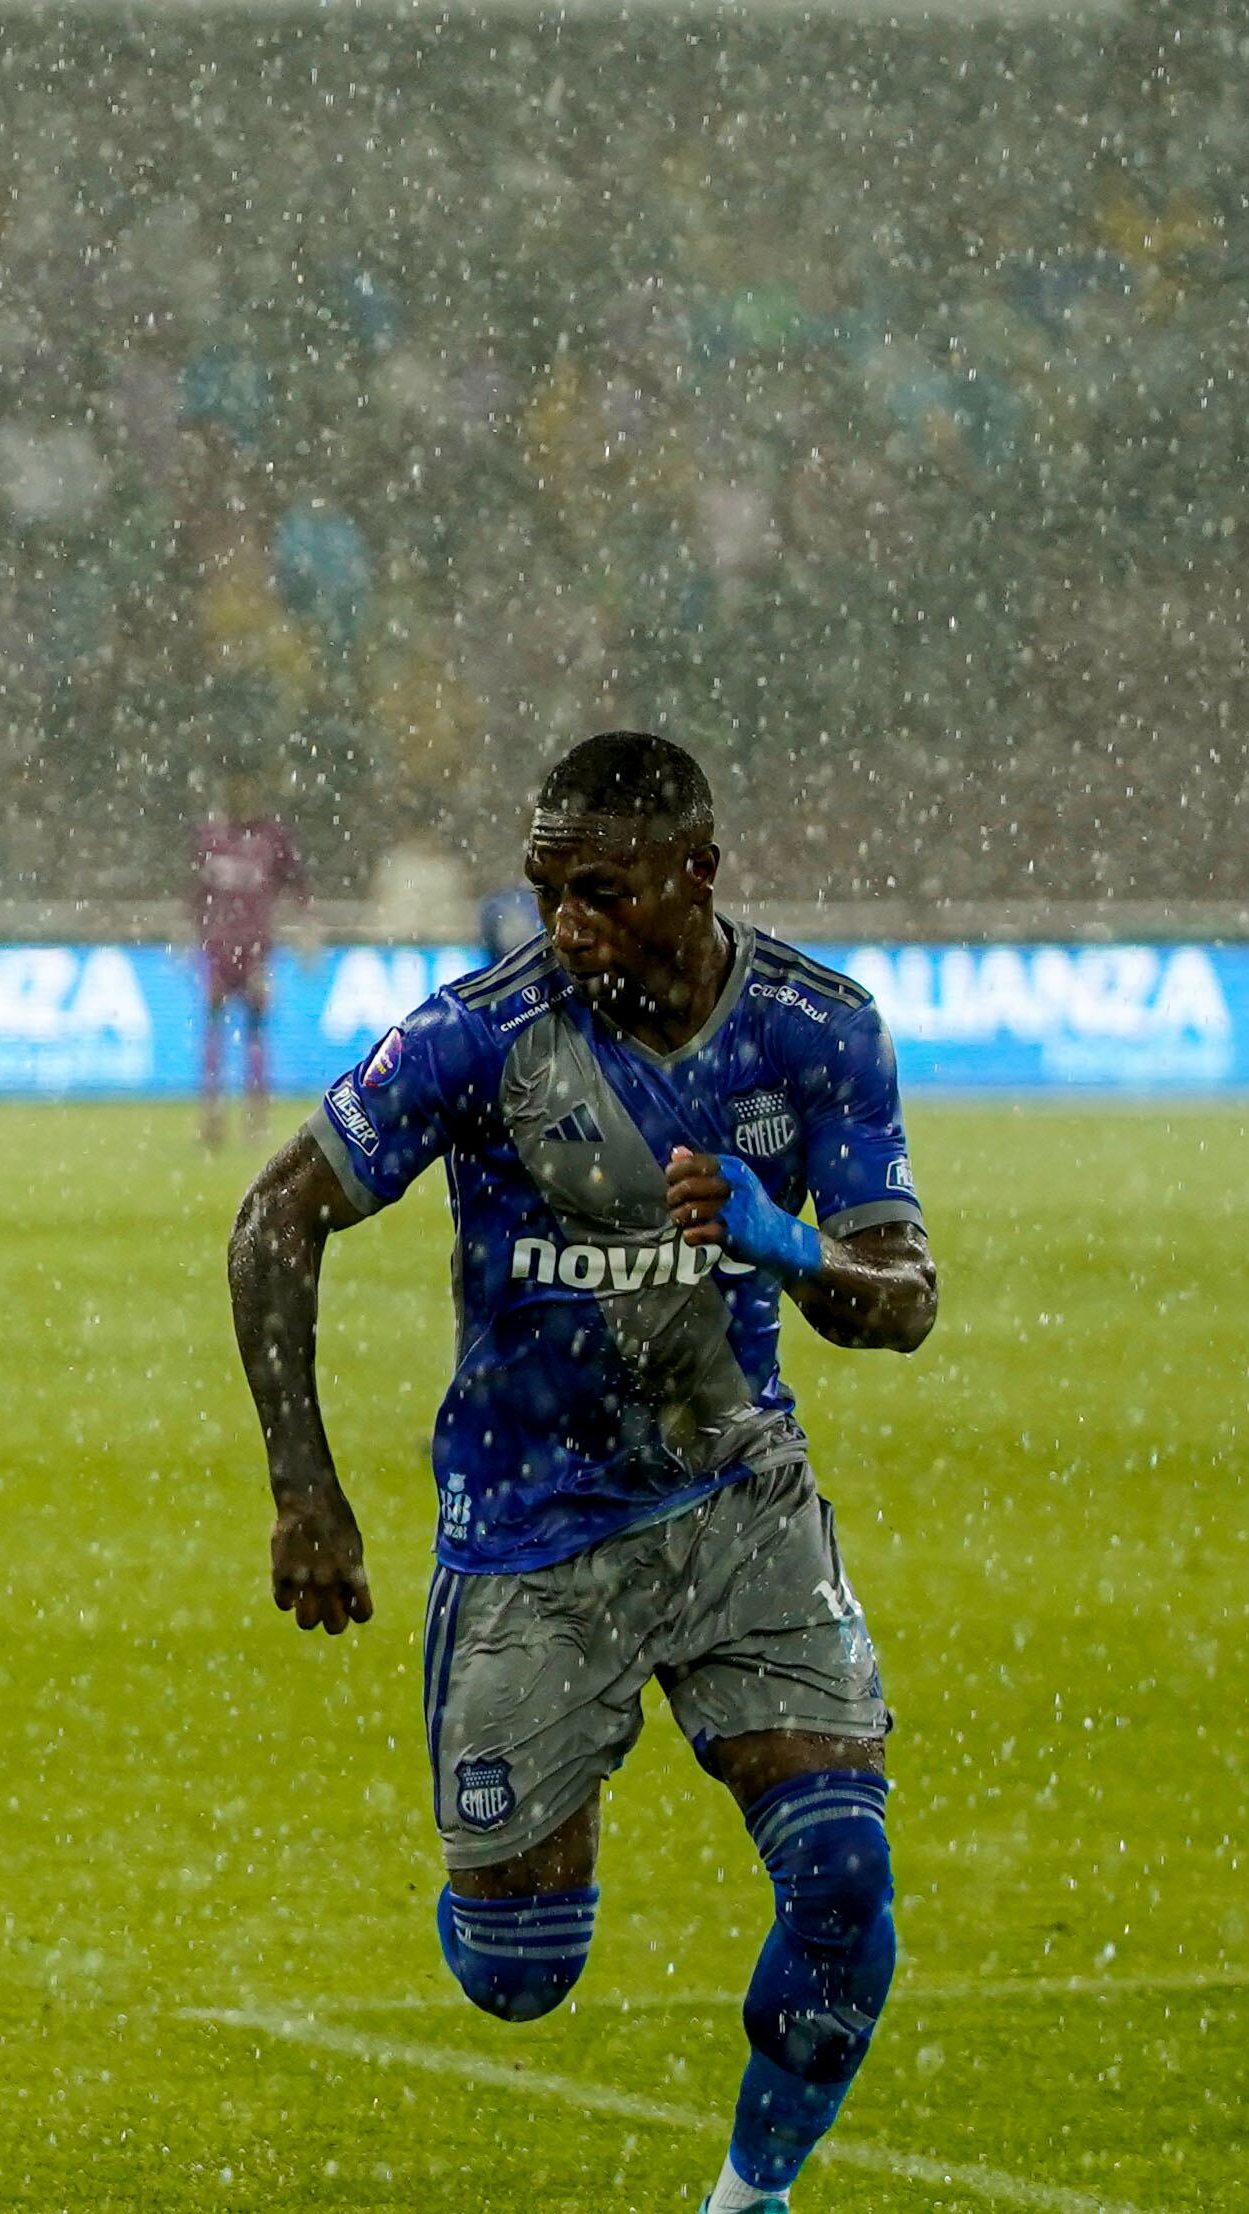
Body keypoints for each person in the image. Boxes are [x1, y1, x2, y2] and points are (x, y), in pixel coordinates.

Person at [225, 732, 938, 2214]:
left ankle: (750, 2198)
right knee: (517, 1973)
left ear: (699, 874)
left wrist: (787, 1238)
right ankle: (538, 1808)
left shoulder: (820, 1031)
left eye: (605, 892)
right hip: (531, 1529)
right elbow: (274, 1218)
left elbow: (901, 1299)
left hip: (738, 1498)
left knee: (844, 1891)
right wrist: (307, 1485)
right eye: (549, 887)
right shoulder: (484, 1034)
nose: (569, 926)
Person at [191, 767, 307, 1148]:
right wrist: (192, 934)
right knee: (214, 1031)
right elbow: (195, 892)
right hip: (217, 949)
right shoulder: (211, 838)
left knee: (254, 1033)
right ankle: (212, 1119)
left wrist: (307, 931)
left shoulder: (271, 837)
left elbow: (298, 885)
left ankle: (255, 1120)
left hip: (257, 952)